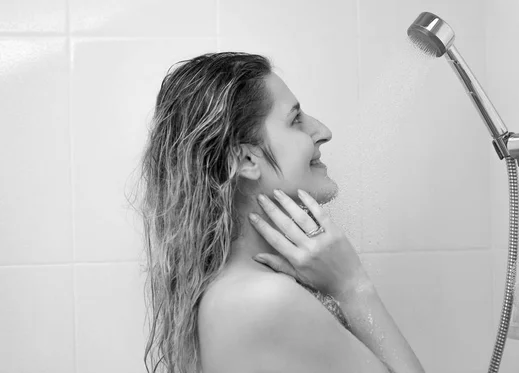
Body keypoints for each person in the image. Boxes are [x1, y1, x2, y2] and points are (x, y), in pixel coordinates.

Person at [129, 51, 425, 373]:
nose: (323, 131)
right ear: (245, 161)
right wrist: (352, 287)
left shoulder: (238, 290)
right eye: (295, 120)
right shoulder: (264, 299)